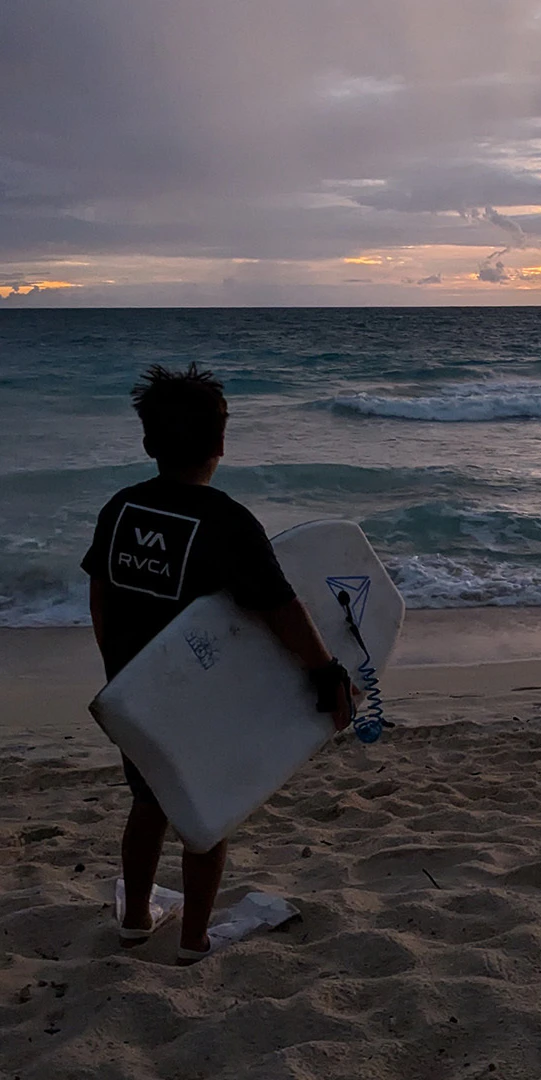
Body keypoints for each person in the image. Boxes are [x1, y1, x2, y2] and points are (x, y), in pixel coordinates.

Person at [81, 363, 353, 964]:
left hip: (135, 694)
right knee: (206, 814)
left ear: (148, 444)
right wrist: (324, 669)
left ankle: (135, 921)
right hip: (202, 697)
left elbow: (100, 593)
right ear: (221, 444)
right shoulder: (226, 522)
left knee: (149, 800)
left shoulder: (121, 509)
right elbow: (279, 608)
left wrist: (118, 671)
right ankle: (194, 941)